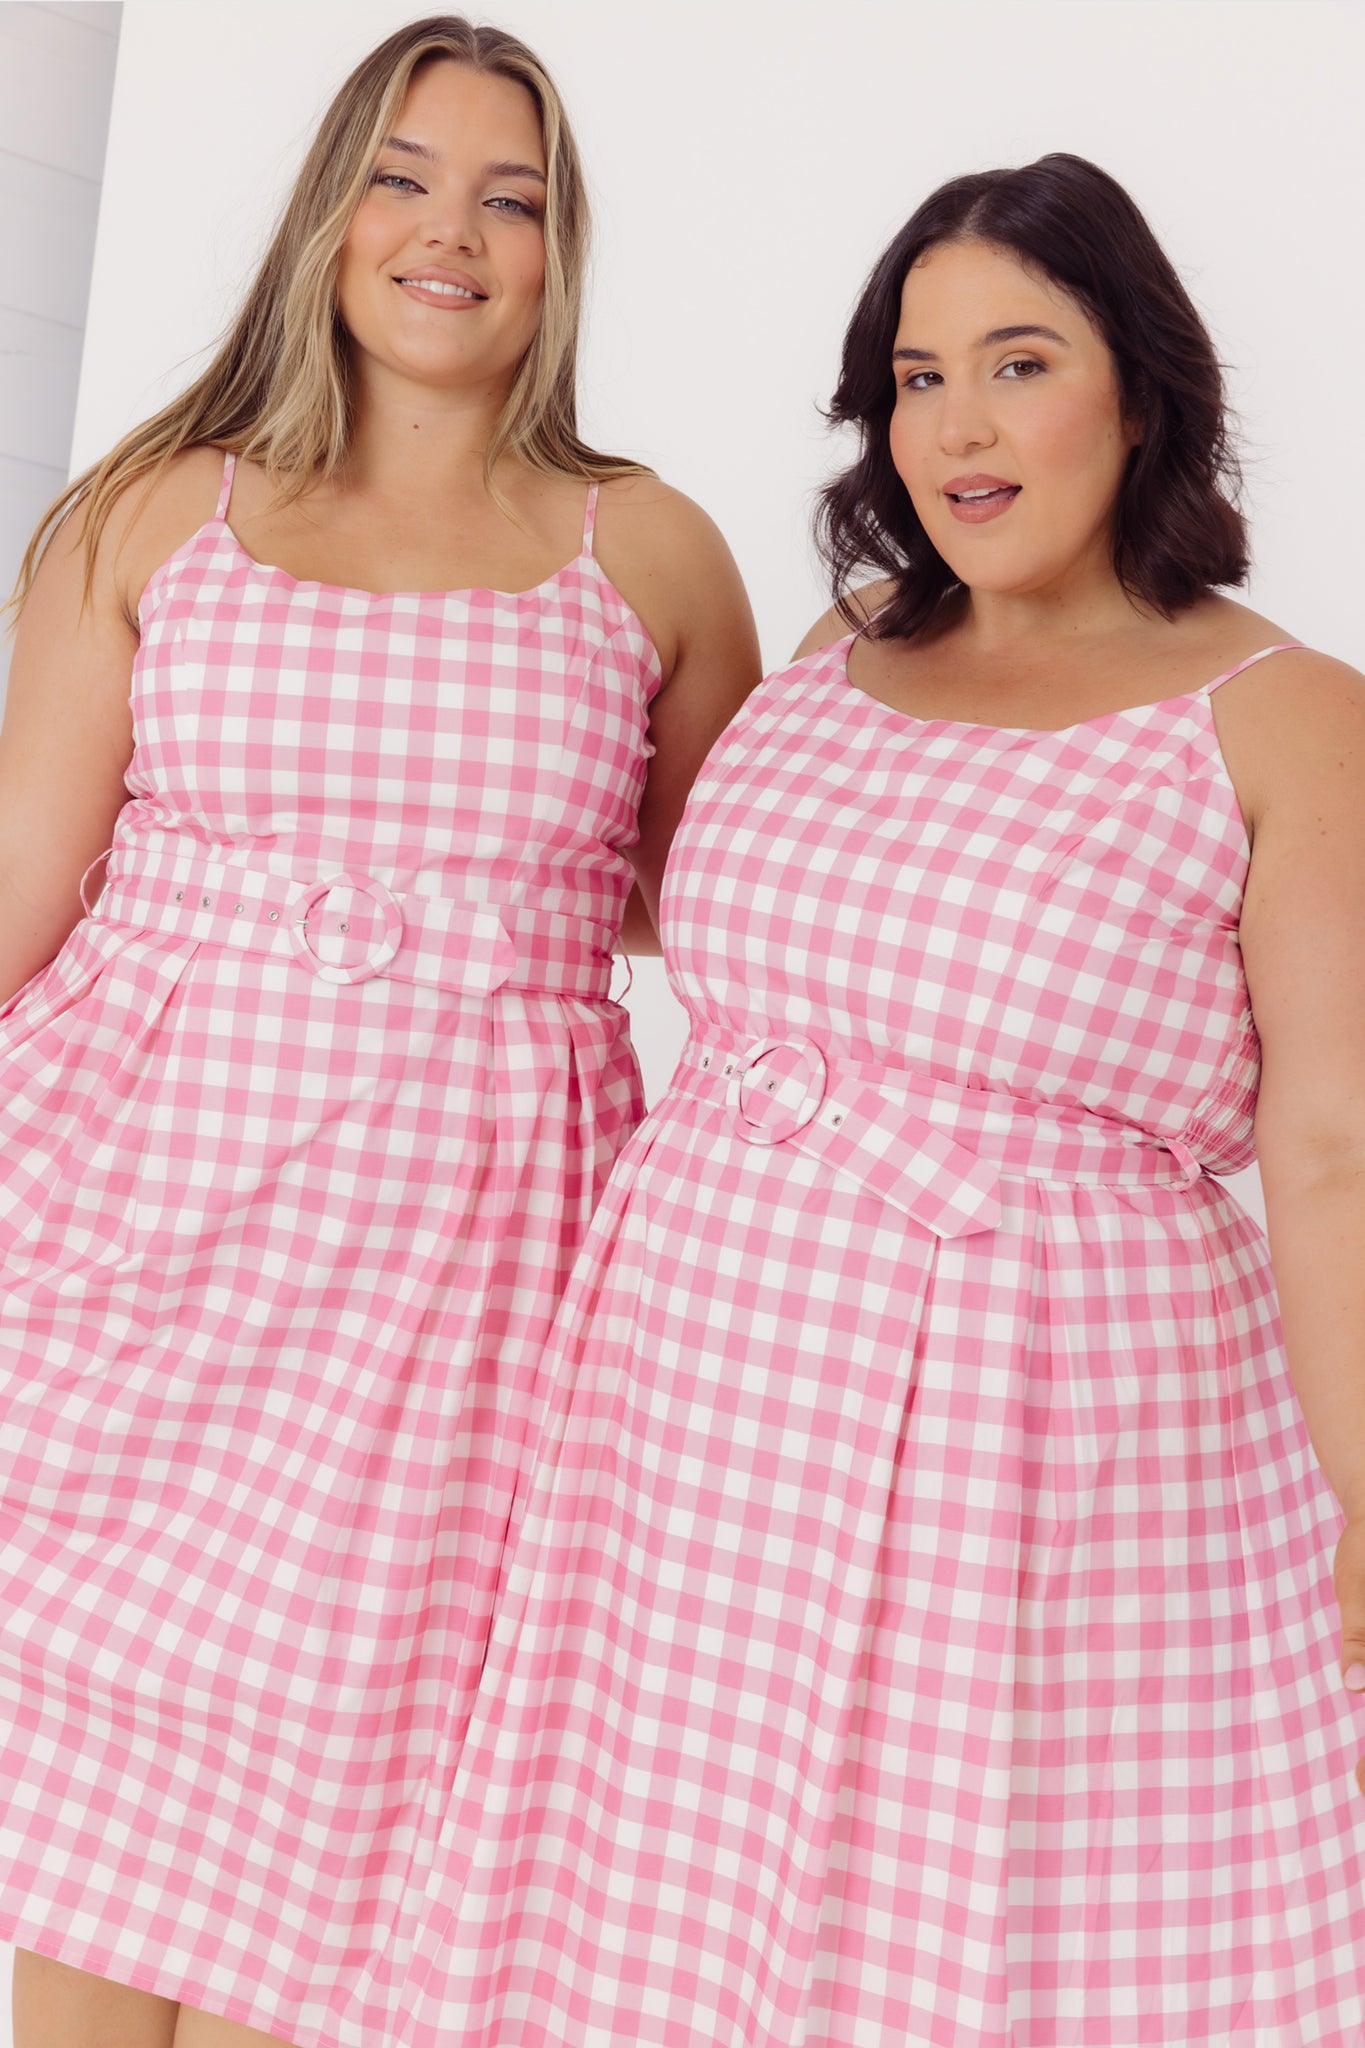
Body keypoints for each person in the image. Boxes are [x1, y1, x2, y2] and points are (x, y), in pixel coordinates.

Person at [388, 154, 1365, 2046]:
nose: (957, 425)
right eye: (918, 377)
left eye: (1016, 362)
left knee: (962, 1921)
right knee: (662, 1896)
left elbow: (1334, 1146)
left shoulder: (1283, 716)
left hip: (1029, 1422)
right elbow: (659, 915)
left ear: (1142, 389)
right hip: (693, 1390)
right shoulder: (842, 647)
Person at [0, 16, 758, 2048]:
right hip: (140, 1254)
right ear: (329, 215)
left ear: (562, 246)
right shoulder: (150, 516)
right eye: (405, 177)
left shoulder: (651, 552)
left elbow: (749, 928)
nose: (452, 232)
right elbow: (14, 897)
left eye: (509, 196)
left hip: (453, 1317)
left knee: (329, 1873)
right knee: (92, 1832)